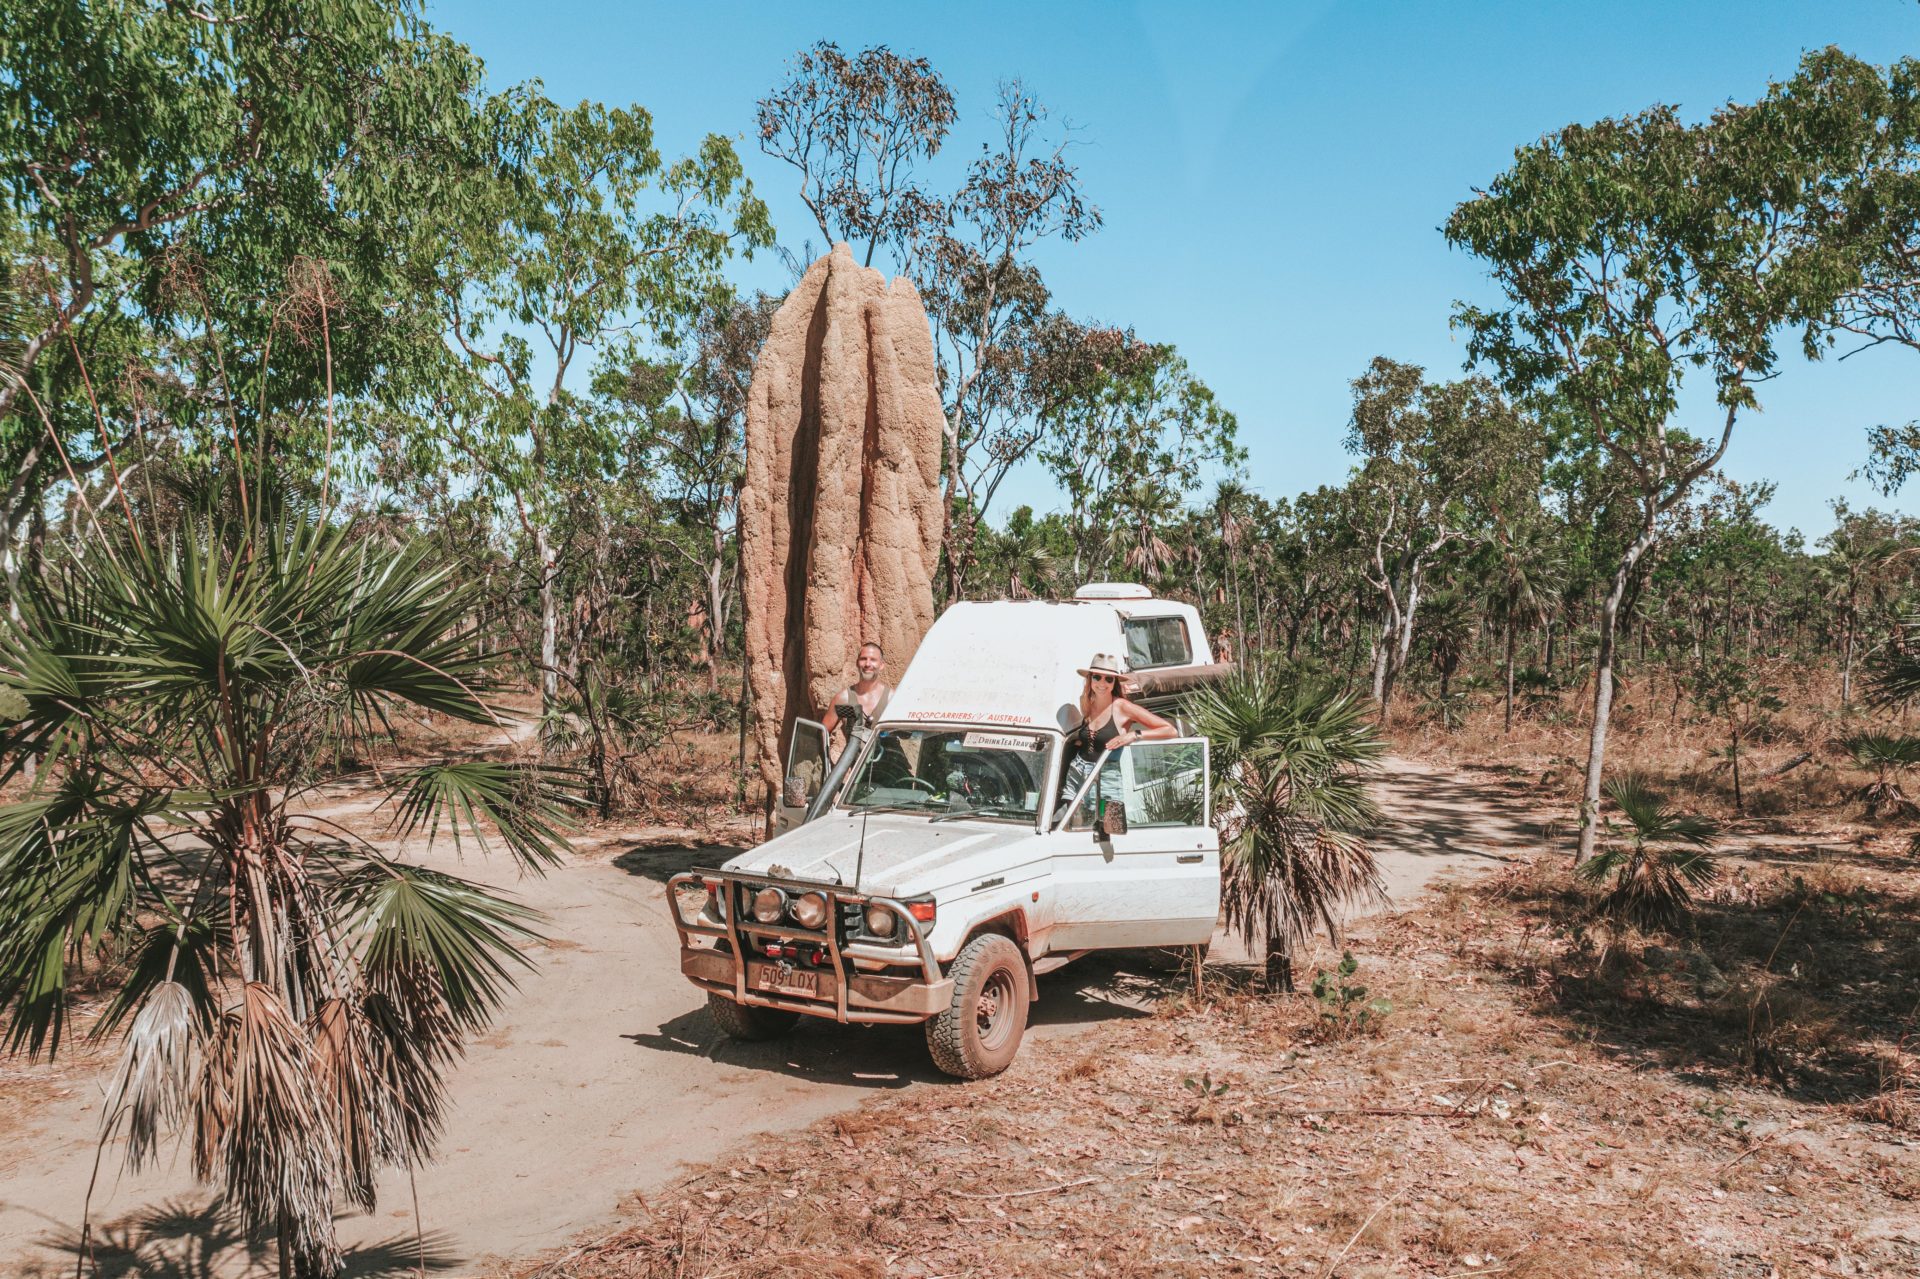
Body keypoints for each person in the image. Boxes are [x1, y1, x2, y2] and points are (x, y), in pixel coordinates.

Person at [1060, 653, 1176, 804]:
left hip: (1106, 776)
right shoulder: (1087, 703)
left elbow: (1170, 730)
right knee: (1064, 820)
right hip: (1077, 770)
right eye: (1097, 677)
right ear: (1090, 679)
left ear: (1114, 682)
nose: (1102, 683)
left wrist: (1134, 735)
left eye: (1109, 678)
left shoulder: (1122, 707)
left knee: (1105, 825)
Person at [822, 641, 891, 743]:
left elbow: (908, 734)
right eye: (863, 659)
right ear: (857, 663)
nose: (867, 664)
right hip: (857, 759)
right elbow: (821, 734)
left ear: (881, 665)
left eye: (873, 660)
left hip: (890, 758)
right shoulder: (844, 699)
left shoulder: (891, 698)